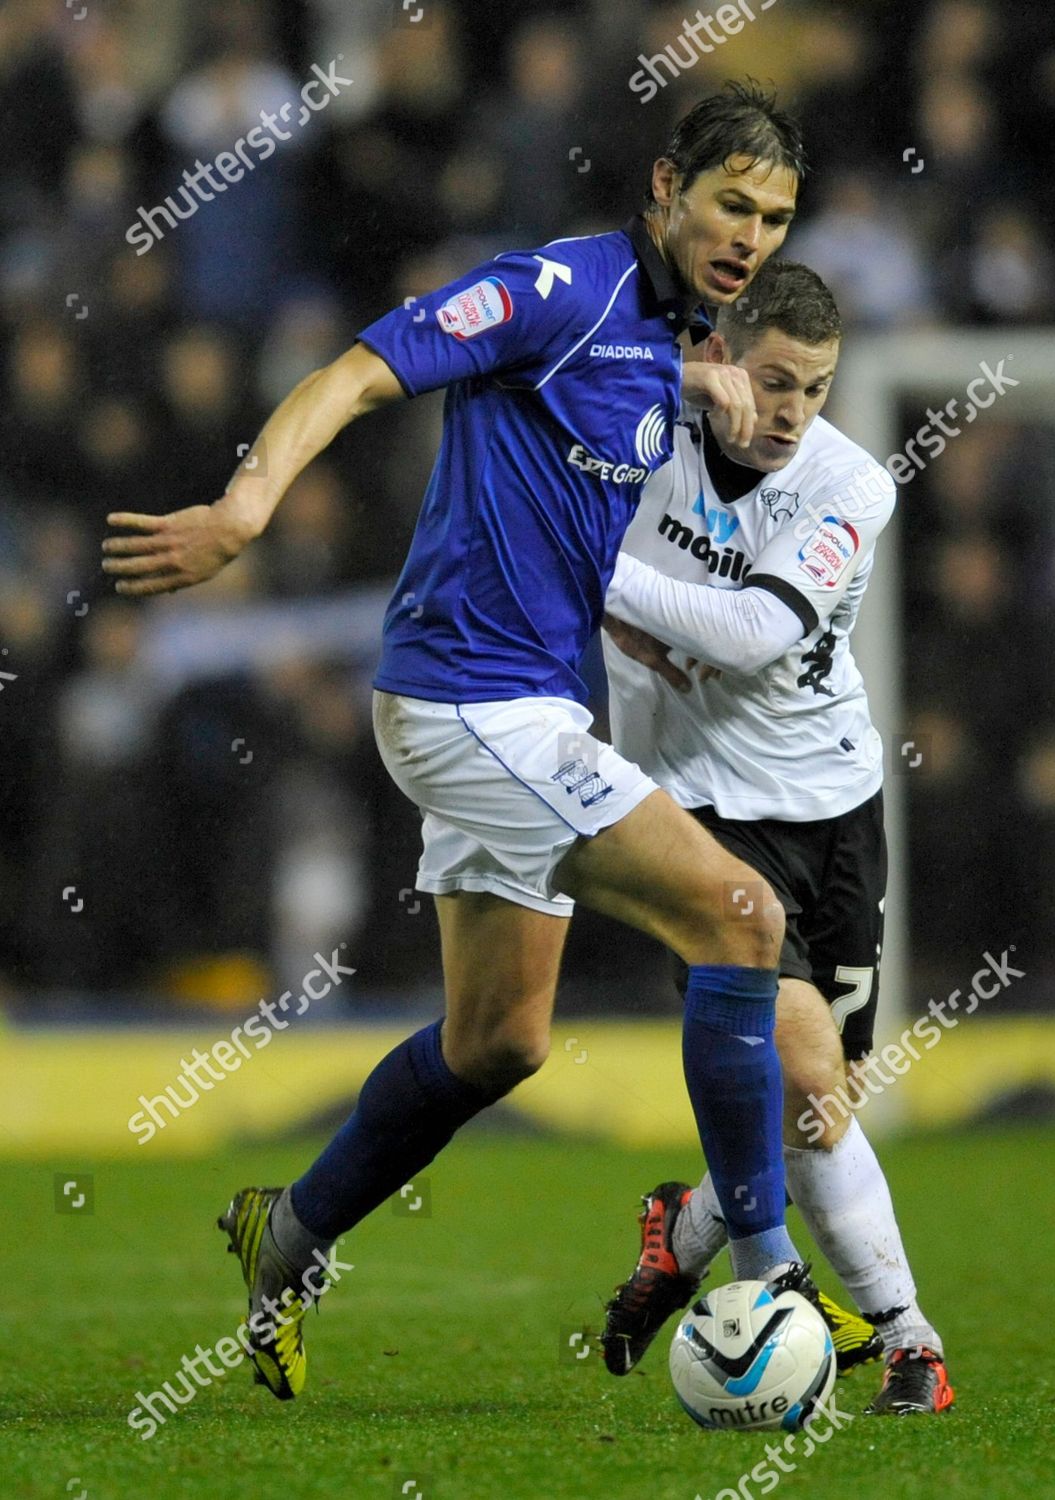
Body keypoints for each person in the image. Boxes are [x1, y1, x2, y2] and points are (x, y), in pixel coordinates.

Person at [101, 82, 813, 1405]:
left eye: (772, 216)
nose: (749, 235)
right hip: (464, 702)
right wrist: (248, 504)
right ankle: (767, 1277)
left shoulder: (675, 345)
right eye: (730, 203)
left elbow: (561, 527)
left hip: (534, 702)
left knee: (500, 1041)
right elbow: (360, 370)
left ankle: (289, 1232)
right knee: (741, 915)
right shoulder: (558, 289)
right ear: (667, 188)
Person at [598, 259, 955, 1416]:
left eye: (815, 386)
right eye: (772, 380)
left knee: (819, 1110)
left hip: (836, 809)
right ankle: (909, 1343)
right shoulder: (644, 437)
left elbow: (753, 631)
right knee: (803, 1077)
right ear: (719, 358)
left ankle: (686, 1229)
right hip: (699, 812)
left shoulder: (852, 484)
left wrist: (603, 581)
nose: (793, 409)